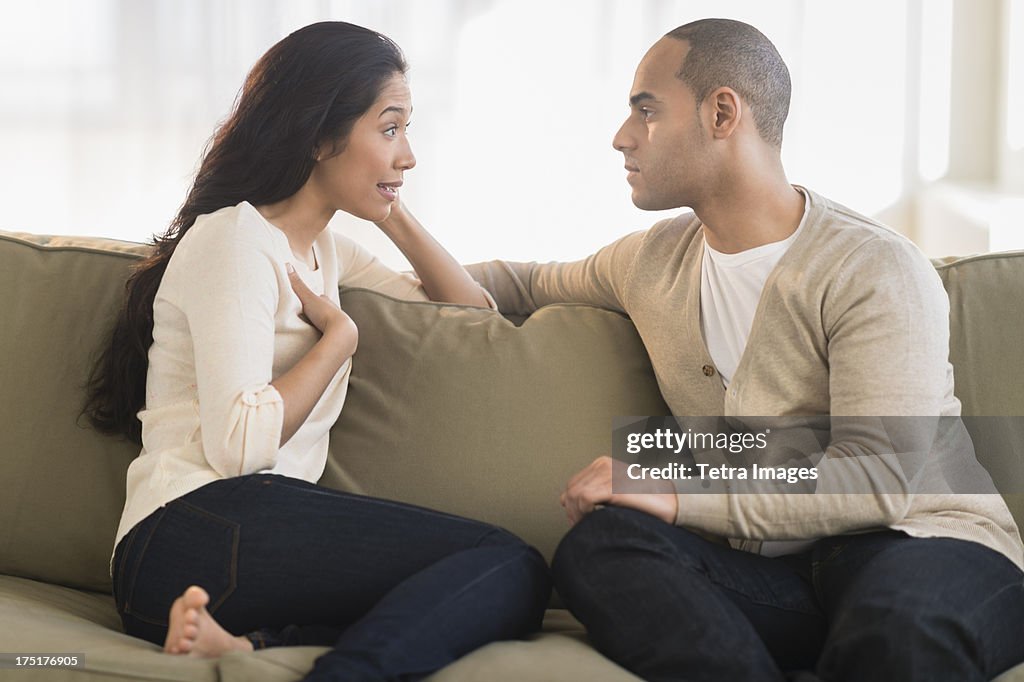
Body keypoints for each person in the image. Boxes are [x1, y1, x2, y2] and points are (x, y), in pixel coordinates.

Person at [467, 18, 1024, 682]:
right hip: (777, 577)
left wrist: (676, 491)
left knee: (899, 632)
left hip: (924, 546)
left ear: (722, 112)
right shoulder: (651, 260)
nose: (622, 138)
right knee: (599, 545)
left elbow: (876, 480)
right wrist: (361, 247)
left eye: (646, 111)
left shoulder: (874, 269)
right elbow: (517, 283)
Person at [85, 21, 549, 682]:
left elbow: (469, 316)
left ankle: (246, 644)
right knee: (506, 561)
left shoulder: (325, 252)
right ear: (320, 134)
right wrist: (339, 342)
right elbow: (239, 447)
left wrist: (392, 206)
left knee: (491, 582)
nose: (409, 154)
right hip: (187, 531)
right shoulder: (236, 239)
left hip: (225, 561)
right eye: (390, 129)